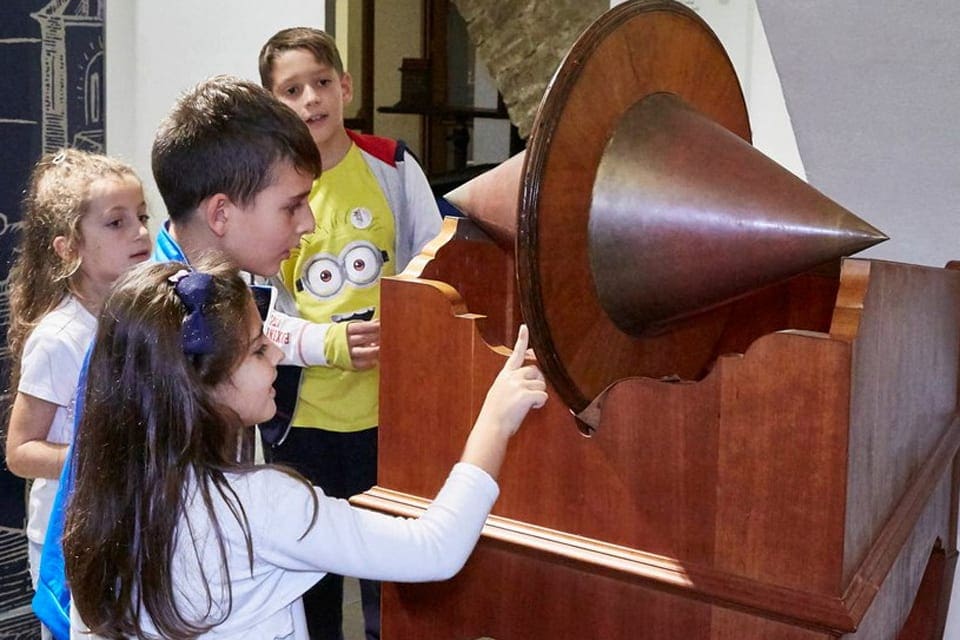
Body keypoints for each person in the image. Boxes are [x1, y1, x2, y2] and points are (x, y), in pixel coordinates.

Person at [63, 258, 547, 640]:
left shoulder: (101, 503)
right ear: (198, 387)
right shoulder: (261, 504)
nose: (276, 355)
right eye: (257, 350)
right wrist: (496, 419)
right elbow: (435, 549)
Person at [31, 75, 327, 640]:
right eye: (293, 205)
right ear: (221, 215)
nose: (307, 223)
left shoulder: (210, 297)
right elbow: (101, 502)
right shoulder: (157, 327)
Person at [258, 27, 443, 639]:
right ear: (271, 103)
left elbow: (436, 269)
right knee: (311, 580)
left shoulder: (392, 164)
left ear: (345, 85)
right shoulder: (264, 187)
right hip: (302, 421)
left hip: (389, 417)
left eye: (320, 83)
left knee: (389, 581)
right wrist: (326, 343)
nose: (311, 99)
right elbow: (253, 311)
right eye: (291, 89)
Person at [3, 148, 151, 640]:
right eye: (116, 223)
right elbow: (21, 453)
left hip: (131, 525)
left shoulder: (141, 319)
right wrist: (104, 458)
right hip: (71, 543)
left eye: (142, 216)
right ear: (69, 248)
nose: (140, 232)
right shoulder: (58, 337)